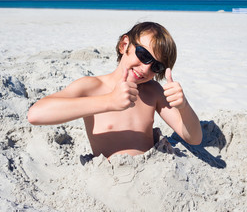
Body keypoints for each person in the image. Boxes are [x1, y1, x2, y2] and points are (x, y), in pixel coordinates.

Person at [28, 22, 202, 158]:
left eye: (156, 66)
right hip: (110, 178)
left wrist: (184, 106)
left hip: (152, 174)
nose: (146, 68)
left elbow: (193, 138)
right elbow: (36, 114)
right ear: (124, 45)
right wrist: (109, 101)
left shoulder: (153, 91)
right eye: (143, 55)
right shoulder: (92, 86)